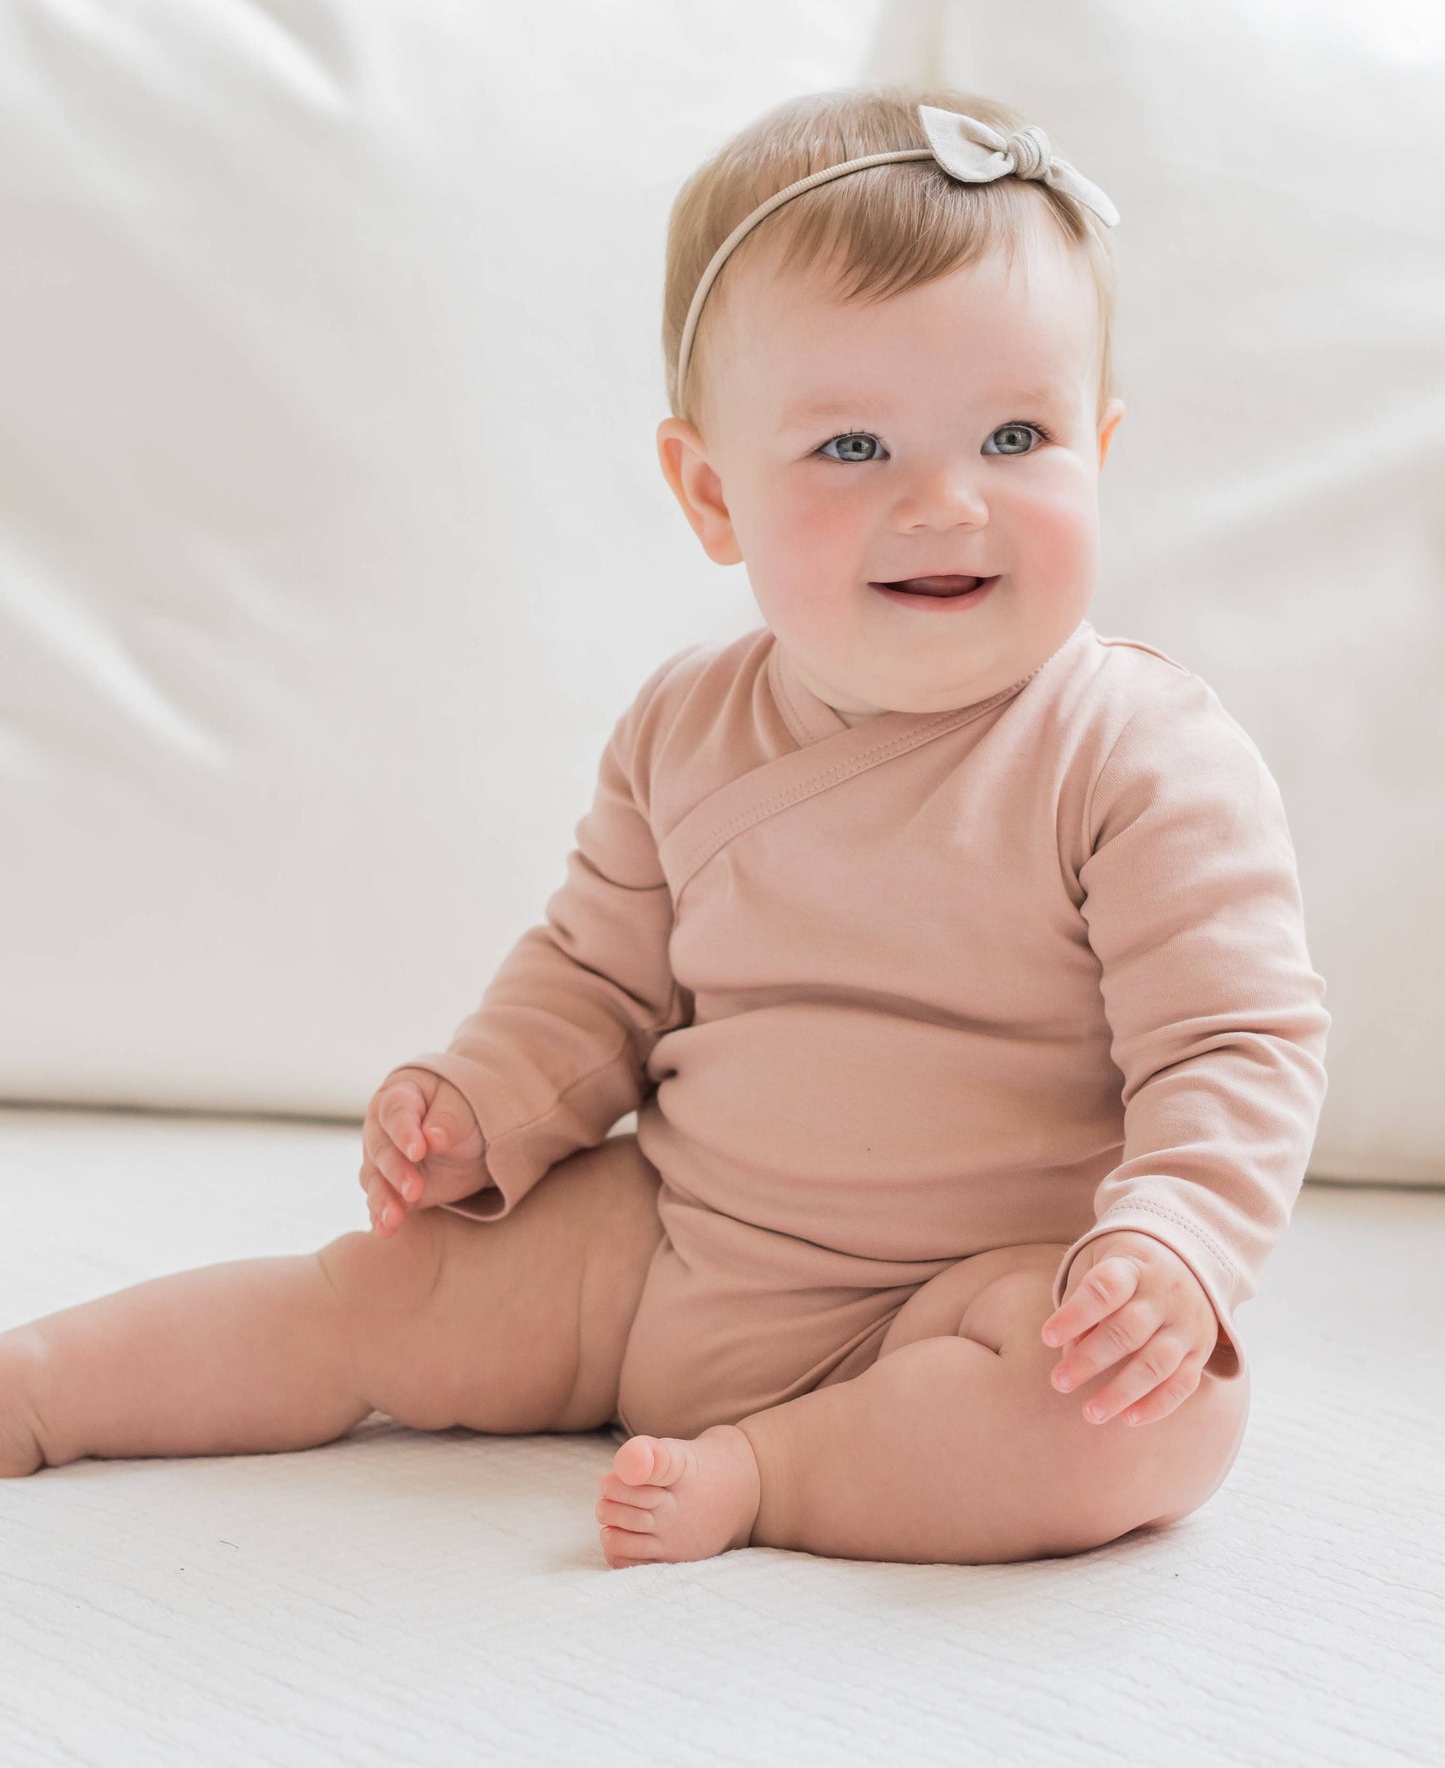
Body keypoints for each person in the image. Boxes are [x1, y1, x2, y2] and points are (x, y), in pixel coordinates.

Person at [0, 85, 1330, 1572]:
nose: (946, 503)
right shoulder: (686, 726)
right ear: (710, 492)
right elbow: (598, 978)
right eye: (851, 449)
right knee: (375, 1294)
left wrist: (1167, 1251)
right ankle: (42, 1388)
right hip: (674, 1247)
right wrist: (481, 1101)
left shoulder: (1136, 753)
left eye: (1015, 434)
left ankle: (775, 1473)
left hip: (960, 1301)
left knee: (1145, 1420)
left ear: (1099, 446)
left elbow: (1231, 1045)